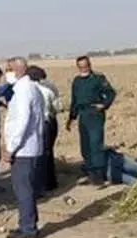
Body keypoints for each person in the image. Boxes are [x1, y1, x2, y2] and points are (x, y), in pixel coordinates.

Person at [1, 57, 44, 238]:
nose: (6, 73)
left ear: (17, 70)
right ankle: (26, 224)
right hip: (27, 147)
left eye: (8, 69)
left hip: (23, 149)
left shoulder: (24, 90)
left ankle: (28, 228)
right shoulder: (26, 88)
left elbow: (22, 122)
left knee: (23, 190)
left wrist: (11, 148)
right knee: (25, 189)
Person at [67, 55, 116, 184]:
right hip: (83, 114)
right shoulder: (77, 81)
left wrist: (104, 105)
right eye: (80, 67)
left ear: (90, 65)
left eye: (85, 66)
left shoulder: (98, 78)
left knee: (95, 144)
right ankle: (90, 172)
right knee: (85, 145)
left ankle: (99, 175)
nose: (83, 69)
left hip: (95, 114)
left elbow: (111, 93)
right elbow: (74, 100)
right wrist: (71, 117)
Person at [25, 66, 59, 196]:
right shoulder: (48, 91)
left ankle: (37, 186)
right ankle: (49, 182)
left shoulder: (26, 91)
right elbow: (56, 108)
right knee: (47, 153)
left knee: (36, 155)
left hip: (33, 125)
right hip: (46, 123)